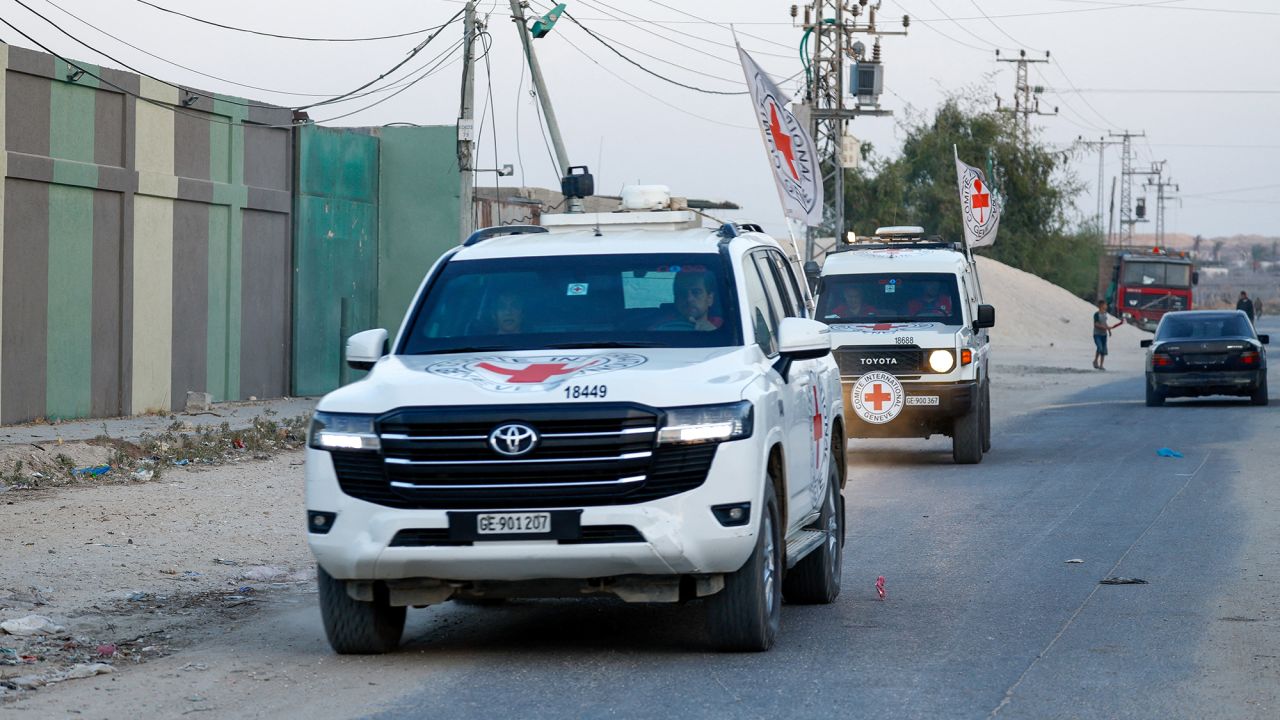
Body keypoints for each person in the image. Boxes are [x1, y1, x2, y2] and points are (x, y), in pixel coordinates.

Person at [652, 269, 721, 331]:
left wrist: (714, 333)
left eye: (696, 292)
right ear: (676, 299)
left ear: (710, 299)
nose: (689, 299)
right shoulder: (660, 327)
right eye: (682, 293)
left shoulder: (726, 327)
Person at [1092, 300, 1123, 370]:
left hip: (1104, 334)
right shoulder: (1096, 314)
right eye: (1105, 305)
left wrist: (1108, 330)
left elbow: (1105, 323)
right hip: (1097, 334)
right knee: (1099, 347)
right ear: (1101, 306)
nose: (1106, 306)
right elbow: (1096, 324)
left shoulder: (1105, 314)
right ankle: (1095, 361)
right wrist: (1105, 328)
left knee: (1103, 350)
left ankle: (1101, 365)